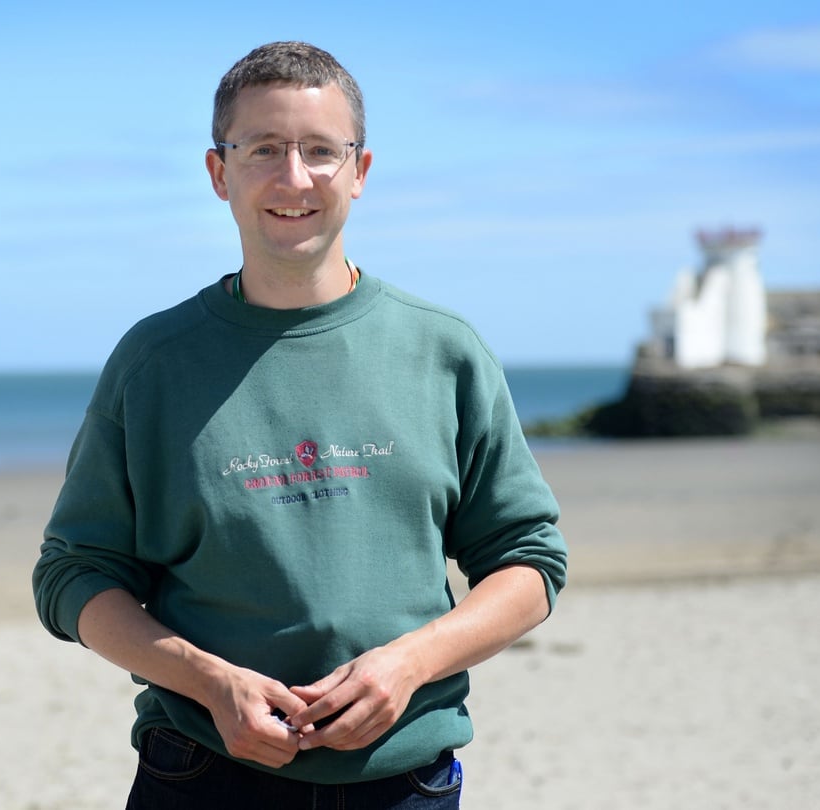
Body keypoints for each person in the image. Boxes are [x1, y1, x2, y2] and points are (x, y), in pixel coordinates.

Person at [33, 41, 568, 808]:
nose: (294, 178)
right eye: (263, 150)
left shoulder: (442, 349)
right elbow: (73, 574)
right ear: (219, 173)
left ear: (361, 170)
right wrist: (211, 682)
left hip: (403, 781)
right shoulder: (155, 361)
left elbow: (528, 561)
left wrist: (407, 666)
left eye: (320, 150)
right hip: (201, 772)